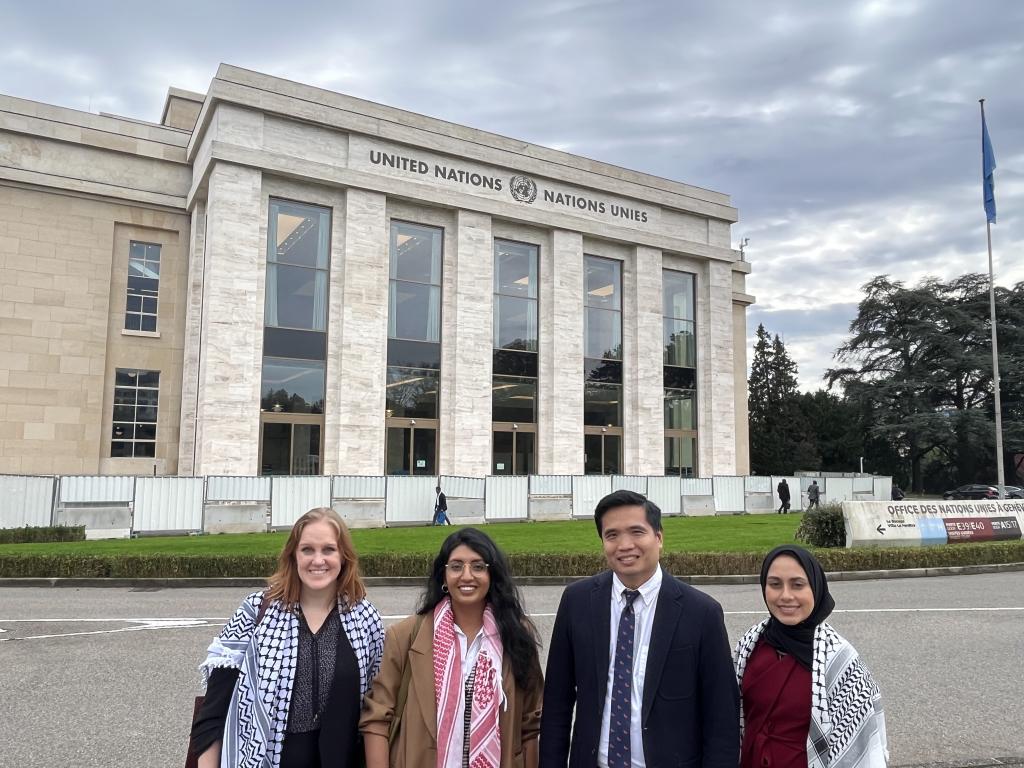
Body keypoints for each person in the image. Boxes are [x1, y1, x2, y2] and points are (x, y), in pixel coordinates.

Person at [540, 489, 739, 768]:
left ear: (659, 537)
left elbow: (722, 718)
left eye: (636, 532)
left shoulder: (701, 612)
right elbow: (557, 702)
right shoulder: (577, 601)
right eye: (612, 535)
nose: (624, 545)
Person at [191, 507, 384, 768]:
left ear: (344, 557)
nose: (318, 560)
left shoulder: (365, 618)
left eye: (328, 549)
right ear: (293, 555)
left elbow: (377, 709)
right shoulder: (255, 612)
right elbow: (213, 712)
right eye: (307, 549)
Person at [361, 528, 543, 768]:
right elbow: (377, 718)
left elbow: (531, 724)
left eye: (478, 566)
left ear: (492, 574)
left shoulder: (517, 636)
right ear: (443, 575)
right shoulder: (405, 636)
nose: (467, 576)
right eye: (456, 566)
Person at [734, 545, 888, 768]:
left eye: (797, 585)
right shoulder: (750, 644)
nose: (786, 596)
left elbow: (858, 745)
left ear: (815, 588)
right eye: (775, 584)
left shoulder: (840, 660)